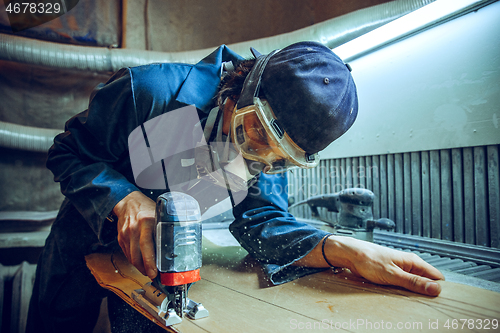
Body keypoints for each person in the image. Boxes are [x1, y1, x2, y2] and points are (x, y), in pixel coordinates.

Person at [27, 41, 444, 333]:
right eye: (256, 133)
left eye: (280, 158)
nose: (256, 160)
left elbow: (261, 220)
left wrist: (341, 249)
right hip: (85, 238)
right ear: (241, 90)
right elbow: (68, 152)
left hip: (156, 268)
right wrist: (125, 199)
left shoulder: (264, 159)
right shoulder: (152, 93)